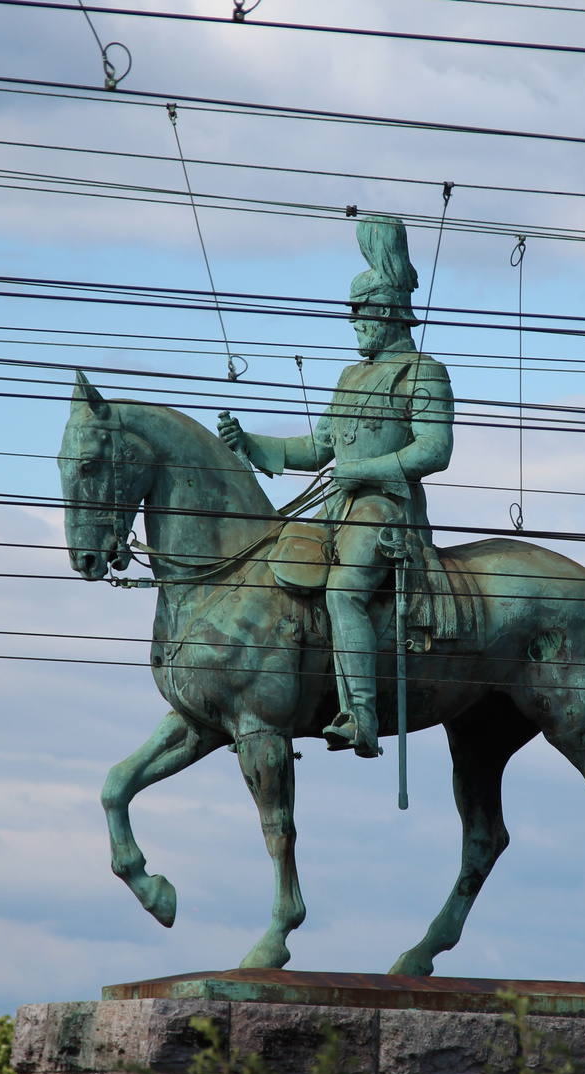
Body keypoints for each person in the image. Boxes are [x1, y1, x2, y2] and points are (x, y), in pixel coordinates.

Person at [218, 215, 454, 759]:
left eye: (362, 313)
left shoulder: (423, 371)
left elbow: (434, 450)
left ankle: (361, 716)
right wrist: (251, 441)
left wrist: (367, 472)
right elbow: (320, 447)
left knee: (345, 590)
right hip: (336, 505)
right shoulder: (349, 377)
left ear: (391, 312)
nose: (354, 324)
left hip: (385, 509)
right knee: (273, 566)